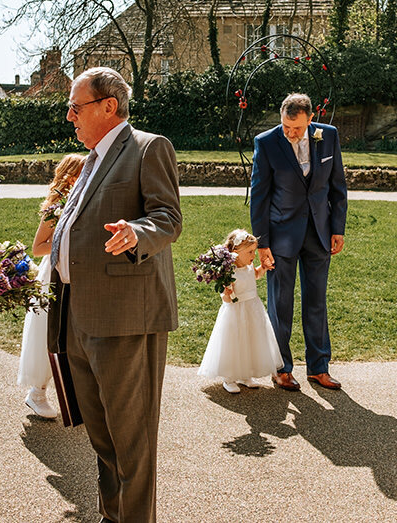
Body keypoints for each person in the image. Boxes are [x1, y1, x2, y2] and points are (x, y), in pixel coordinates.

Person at [47, 67, 182, 523]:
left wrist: (136, 232)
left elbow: (167, 218)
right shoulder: (89, 161)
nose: (69, 117)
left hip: (125, 318)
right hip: (79, 318)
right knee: (103, 438)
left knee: (132, 442)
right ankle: (113, 516)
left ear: (109, 105)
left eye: (76, 106)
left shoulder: (148, 148)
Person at [250, 93, 348, 391]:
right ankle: (281, 368)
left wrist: (338, 228)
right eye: (286, 127)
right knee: (280, 304)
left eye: (297, 128)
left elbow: (338, 186)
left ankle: (319, 368)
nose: (291, 134)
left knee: (317, 302)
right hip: (281, 236)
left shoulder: (327, 136)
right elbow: (259, 195)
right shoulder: (266, 142)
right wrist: (262, 242)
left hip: (319, 233)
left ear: (310, 119)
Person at [18, 153, 86, 419]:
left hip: (78, 275)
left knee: (74, 334)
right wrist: (69, 247)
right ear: (70, 176)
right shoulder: (55, 208)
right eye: (83, 172)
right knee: (47, 330)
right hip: (53, 276)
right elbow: (38, 248)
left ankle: (75, 396)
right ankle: (37, 392)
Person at [197, 229, 283, 394]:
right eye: (250, 252)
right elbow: (226, 298)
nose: (253, 255)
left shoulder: (249, 266)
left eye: (253, 251)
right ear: (235, 252)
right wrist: (227, 294)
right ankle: (229, 377)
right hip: (236, 312)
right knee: (235, 342)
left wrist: (263, 268)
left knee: (251, 341)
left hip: (253, 309)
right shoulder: (229, 272)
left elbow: (255, 275)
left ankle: (246, 375)